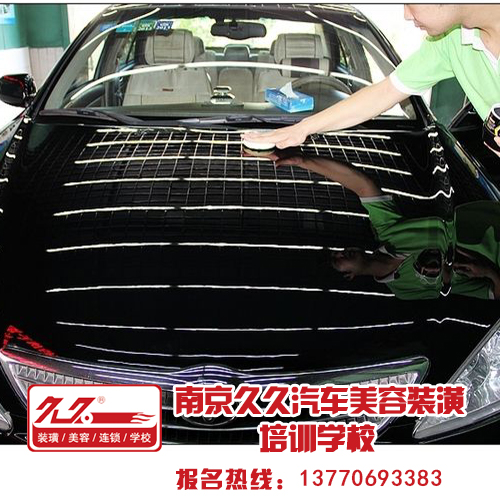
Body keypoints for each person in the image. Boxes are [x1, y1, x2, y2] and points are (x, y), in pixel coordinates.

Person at [243, 5, 500, 155]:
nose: (406, 14)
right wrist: (301, 128)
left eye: (410, 1)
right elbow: (384, 92)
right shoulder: (450, 43)